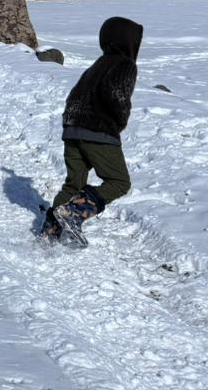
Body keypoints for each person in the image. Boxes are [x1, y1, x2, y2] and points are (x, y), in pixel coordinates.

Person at [42, 17, 143, 246]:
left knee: (73, 184)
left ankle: (49, 234)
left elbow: (74, 96)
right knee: (119, 182)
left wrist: (72, 124)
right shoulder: (125, 64)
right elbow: (117, 95)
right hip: (98, 130)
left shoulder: (98, 64)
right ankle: (75, 213)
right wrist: (119, 121)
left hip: (72, 128)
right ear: (128, 41)